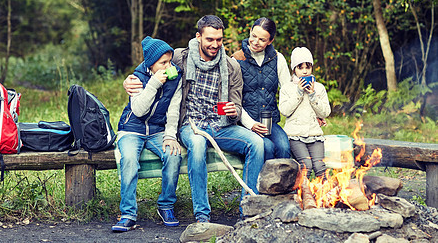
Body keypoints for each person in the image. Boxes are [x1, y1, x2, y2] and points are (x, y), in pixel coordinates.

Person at [124, 15, 265, 223]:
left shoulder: (231, 66)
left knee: (257, 143)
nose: (215, 44)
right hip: (190, 125)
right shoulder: (181, 56)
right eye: (209, 39)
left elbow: (236, 102)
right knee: (197, 144)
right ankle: (202, 215)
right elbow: (152, 62)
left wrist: (232, 110)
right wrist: (130, 80)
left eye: (219, 39)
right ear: (198, 36)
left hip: (220, 125)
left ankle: (248, 210)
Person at [112, 36, 183, 232]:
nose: (168, 66)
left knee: (173, 155)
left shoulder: (175, 77)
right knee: (128, 160)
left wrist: (170, 135)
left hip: (157, 130)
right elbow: (139, 111)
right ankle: (128, 214)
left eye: (169, 61)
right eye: (163, 63)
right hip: (131, 129)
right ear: (151, 64)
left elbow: (174, 109)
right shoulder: (137, 78)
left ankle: (166, 205)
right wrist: (153, 84)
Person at [232, 17, 291, 161]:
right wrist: (250, 124)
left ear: (270, 41)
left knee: (284, 147)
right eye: (253, 36)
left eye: (262, 40)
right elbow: (233, 99)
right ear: (250, 31)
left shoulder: (278, 58)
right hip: (246, 123)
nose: (255, 42)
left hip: (270, 122)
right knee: (267, 147)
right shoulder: (236, 60)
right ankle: (264, 183)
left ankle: (283, 183)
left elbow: (289, 91)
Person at [279, 47, 331, 179]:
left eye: (308, 67)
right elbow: (285, 111)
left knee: (320, 167)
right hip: (294, 135)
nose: (304, 71)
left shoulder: (319, 88)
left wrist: (313, 95)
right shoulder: (287, 88)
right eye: (300, 67)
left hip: (314, 134)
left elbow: (325, 112)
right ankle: (302, 196)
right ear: (294, 69)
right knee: (306, 165)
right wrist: (299, 92)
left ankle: (323, 197)